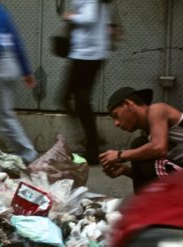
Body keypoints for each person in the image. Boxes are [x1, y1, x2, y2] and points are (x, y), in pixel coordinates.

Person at [100, 87, 183, 192]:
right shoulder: (148, 133)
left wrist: (120, 155)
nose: (116, 124)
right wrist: (126, 170)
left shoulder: (157, 110)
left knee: (143, 149)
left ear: (128, 104)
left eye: (116, 116)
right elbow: (152, 176)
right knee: (139, 146)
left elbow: (158, 148)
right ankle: (143, 205)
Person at [0, 0, 38, 164]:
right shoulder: (0, 10)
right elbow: (16, 40)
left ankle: (28, 154)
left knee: (3, 117)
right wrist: (26, 70)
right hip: (10, 66)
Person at [61, 0, 111, 165]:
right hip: (87, 53)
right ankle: (92, 142)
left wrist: (71, 16)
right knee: (76, 102)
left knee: (77, 102)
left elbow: (88, 18)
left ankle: (93, 145)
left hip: (86, 56)